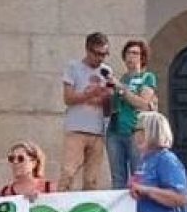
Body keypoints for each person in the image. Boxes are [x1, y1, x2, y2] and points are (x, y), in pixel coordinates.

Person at [60, 32, 113, 192]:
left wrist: (109, 97)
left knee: (92, 180)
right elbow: (68, 98)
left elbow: (109, 109)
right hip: (76, 129)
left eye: (104, 54)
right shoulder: (73, 67)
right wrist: (91, 93)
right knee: (68, 173)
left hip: (97, 130)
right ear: (87, 50)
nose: (101, 58)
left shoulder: (107, 71)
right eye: (97, 54)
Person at [106, 40, 157, 189]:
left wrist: (121, 89)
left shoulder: (147, 77)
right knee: (117, 177)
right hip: (114, 131)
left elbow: (143, 103)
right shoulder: (121, 78)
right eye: (128, 53)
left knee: (138, 176)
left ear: (142, 57)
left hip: (135, 131)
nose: (131, 57)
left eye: (135, 53)